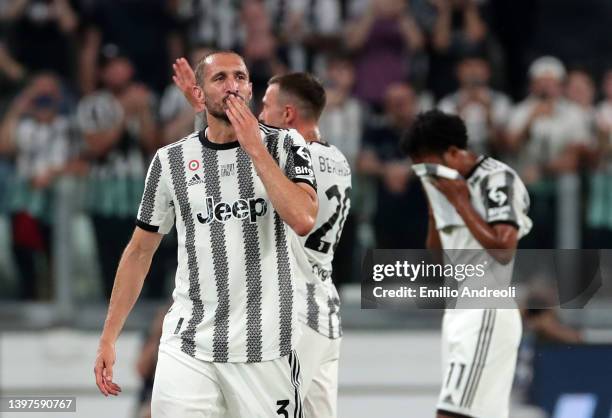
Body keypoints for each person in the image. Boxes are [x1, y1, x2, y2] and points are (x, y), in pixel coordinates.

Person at [94, 51, 318, 418]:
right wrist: (108, 337)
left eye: (240, 77)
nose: (233, 85)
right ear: (198, 94)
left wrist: (255, 148)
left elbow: (304, 218)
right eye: (220, 78)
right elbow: (138, 252)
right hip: (189, 346)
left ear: (250, 88)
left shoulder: (286, 145)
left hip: (264, 349)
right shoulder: (170, 161)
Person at [173, 61, 351, 418]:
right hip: (326, 312)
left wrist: (203, 111)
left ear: (287, 114)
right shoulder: (336, 159)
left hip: (294, 314)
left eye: (265, 107)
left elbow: (227, 169)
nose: (257, 114)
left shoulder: (289, 158)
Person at [401, 109, 532, 418]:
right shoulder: (443, 186)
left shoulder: (497, 180)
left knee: (451, 412)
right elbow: (439, 257)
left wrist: (460, 202)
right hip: (458, 309)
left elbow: (503, 249)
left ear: (454, 153)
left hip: (486, 307)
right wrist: (436, 210)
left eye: (431, 168)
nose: (429, 177)